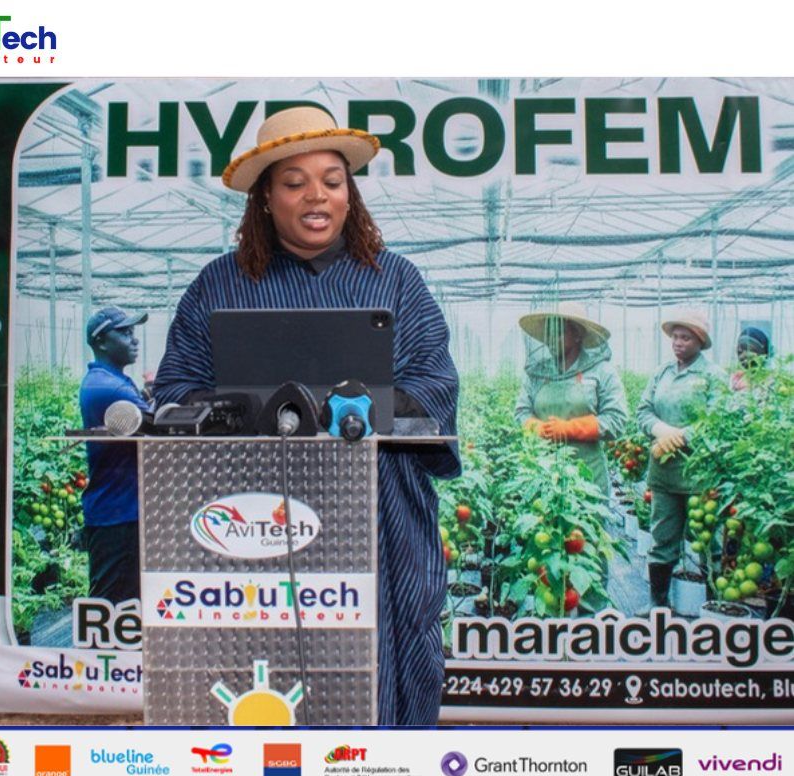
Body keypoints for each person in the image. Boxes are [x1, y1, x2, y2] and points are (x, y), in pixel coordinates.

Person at [153, 107, 460, 725]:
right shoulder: (219, 285)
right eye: (294, 183)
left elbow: (436, 383)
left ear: (351, 194)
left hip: (380, 512)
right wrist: (248, 411)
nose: (316, 195)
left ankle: (384, 761)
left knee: (387, 652)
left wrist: (367, 405)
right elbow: (176, 388)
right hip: (251, 515)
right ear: (265, 199)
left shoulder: (396, 281)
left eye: (332, 180)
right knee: (259, 664)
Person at [637, 310, 727, 608]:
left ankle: (715, 608)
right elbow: (643, 411)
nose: (678, 342)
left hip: (700, 474)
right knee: (662, 537)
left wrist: (680, 436)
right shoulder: (662, 373)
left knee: (707, 540)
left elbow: (716, 420)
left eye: (686, 338)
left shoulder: (712, 376)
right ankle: (658, 604)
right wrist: (660, 430)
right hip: (664, 473)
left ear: (700, 341)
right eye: (675, 337)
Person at [515, 302, 627, 499]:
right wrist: (537, 428)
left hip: (588, 476)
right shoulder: (537, 373)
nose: (551, 339)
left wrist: (569, 429)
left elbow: (616, 420)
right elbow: (521, 412)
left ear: (577, 334)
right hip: (543, 473)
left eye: (558, 332)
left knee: (587, 517)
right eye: (548, 333)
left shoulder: (602, 371)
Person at [80, 306, 150, 605]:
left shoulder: (110, 380)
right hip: (117, 516)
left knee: (127, 601)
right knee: (109, 605)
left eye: (133, 332)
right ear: (101, 342)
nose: (134, 339)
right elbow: (158, 424)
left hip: (121, 510)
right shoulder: (107, 387)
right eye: (124, 333)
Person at [730, 326, 770, 392]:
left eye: (750, 349)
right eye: (740, 351)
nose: (743, 355)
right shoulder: (736, 377)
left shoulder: (769, 380)